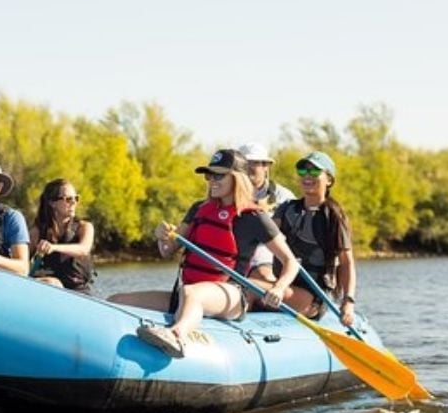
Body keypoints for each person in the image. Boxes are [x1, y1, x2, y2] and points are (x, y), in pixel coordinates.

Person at [108, 149, 301, 358]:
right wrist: (162, 237)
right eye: (209, 175)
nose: (212, 181)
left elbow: (290, 261)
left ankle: (177, 336)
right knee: (116, 299)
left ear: (237, 178)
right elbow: (167, 251)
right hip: (186, 291)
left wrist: (280, 288)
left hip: (232, 296)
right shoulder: (199, 209)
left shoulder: (255, 217)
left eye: (219, 175)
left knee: (192, 294)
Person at [271, 151, 358, 327]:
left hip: (312, 297)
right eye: (303, 172)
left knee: (252, 289)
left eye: (314, 171)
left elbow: (346, 263)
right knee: (249, 284)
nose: (307, 176)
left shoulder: (334, 216)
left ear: (329, 179)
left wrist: (348, 302)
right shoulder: (287, 209)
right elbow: (266, 233)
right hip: (284, 285)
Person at [238, 142, 296, 282]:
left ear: (266, 167)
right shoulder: (226, 192)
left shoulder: (284, 197)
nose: (248, 168)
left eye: (254, 163)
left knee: (262, 275)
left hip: (269, 251)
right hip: (234, 250)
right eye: (244, 164)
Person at [29, 178, 96, 292]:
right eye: (68, 199)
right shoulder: (38, 231)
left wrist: (53, 247)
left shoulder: (85, 227)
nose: (74, 202)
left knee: (54, 283)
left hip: (78, 292)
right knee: (51, 283)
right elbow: (22, 261)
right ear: (52, 203)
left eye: (76, 198)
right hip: (48, 288)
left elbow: (83, 249)